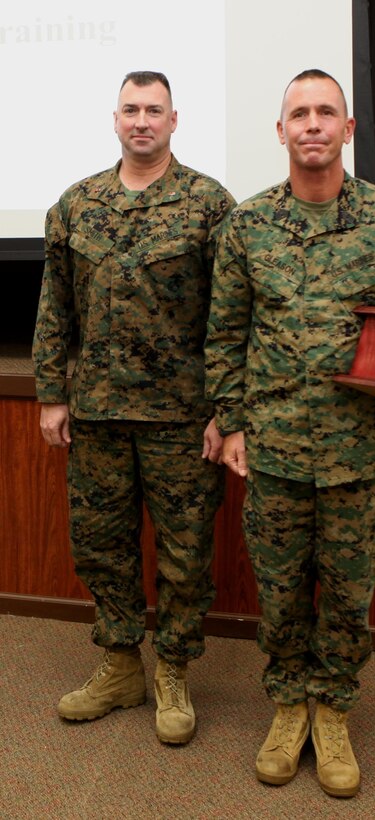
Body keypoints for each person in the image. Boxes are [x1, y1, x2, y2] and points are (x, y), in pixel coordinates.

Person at [204, 69, 375, 796]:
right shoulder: (247, 226)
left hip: (359, 452)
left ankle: (334, 710)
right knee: (282, 593)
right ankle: (289, 706)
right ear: (281, 132)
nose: (312, 124)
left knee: (348, 596)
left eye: (327, 113)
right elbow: (224, 336)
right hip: (276, 451)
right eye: (299, 113)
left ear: (348, 131)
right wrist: (230, 422)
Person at [32, 70, 235, 744]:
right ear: (115, 119)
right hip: (96, 413)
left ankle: (173, 670)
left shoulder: (209, 204)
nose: (141, 120)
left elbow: (231, 318)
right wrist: (52, 395)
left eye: (154, 110)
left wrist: (224, 412)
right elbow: (55, 306)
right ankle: (121, 663)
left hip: (182, 418)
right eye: (130, 109)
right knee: (101, 545)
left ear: (174, 120)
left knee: (184, 551)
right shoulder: (74, 205)